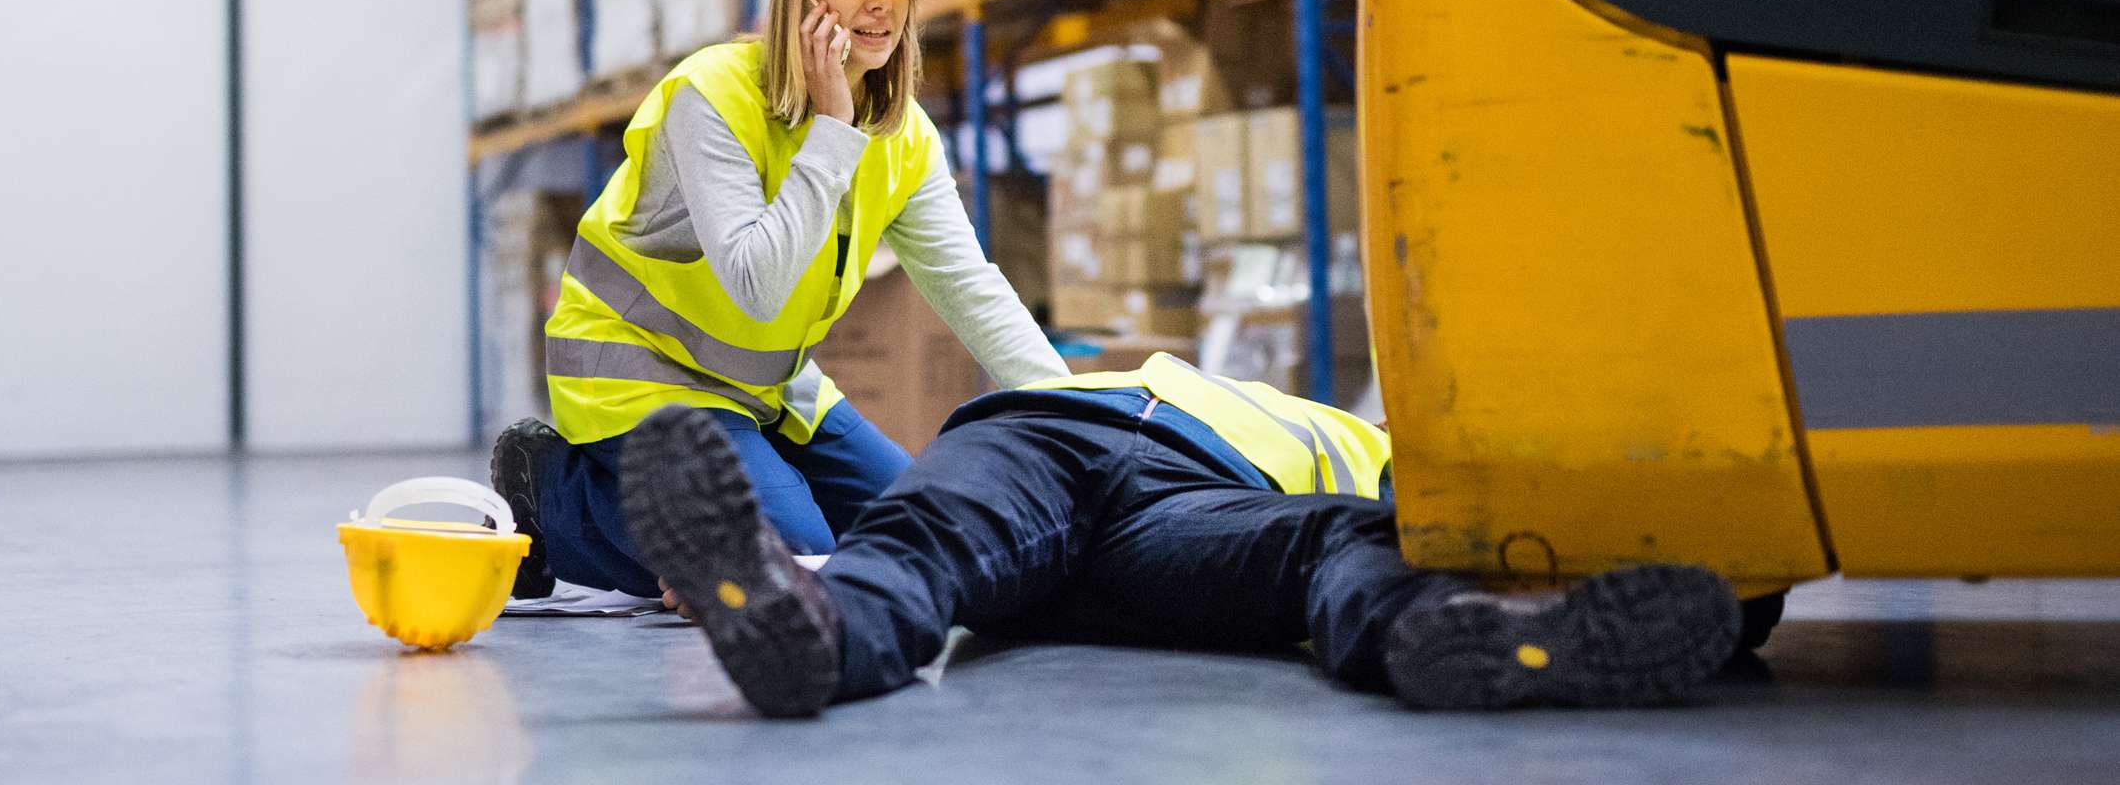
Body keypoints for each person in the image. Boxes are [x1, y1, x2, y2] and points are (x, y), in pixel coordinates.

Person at [494, 0, 1068, 599]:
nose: (878, 3)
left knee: (923, 531)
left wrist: (1074, 414)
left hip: (768, 387)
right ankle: (552, 492)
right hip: (638, 374)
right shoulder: (712, 95)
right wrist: (831, 128)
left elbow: (969, 286)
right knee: (788, 559)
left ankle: (723, 515)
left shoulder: (906, 137)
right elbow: (757, 286)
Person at [615, 353, 1745, 714]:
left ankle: (1473, 631)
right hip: (1056, 431)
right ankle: (793, 619)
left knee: (1350, 547)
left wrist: (1737, 590)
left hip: (1180, 509)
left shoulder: (1412, 471)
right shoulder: (1337, 430)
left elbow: (1559, 518)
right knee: (924, 532)